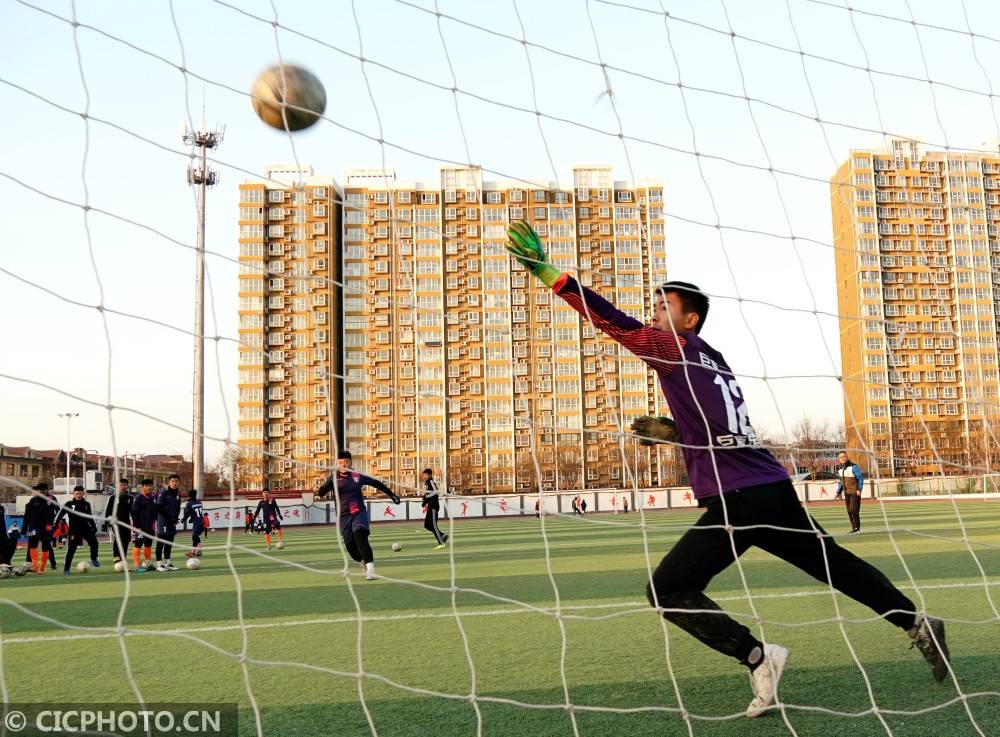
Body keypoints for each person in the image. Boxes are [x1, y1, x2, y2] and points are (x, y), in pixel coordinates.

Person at [506, 220, 950, 718]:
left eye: (663, 307)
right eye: (655, 305)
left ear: (689, 320)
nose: (653, 313)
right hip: (768, 486)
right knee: (836, 566)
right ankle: (916, 622)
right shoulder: (711, 358)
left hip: (739, 496)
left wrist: (551, 275)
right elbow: (720, 426)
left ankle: (758, 656)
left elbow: (614, 324)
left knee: (667, 589)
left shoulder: (673, 347)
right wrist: (678, 434)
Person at [316, 450, 400, 580]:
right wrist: (327, 484)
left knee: (360, 535)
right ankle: (362, 562)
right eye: (340, 462)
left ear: (350, 462)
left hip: (358, 512)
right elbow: (321, 493)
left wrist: (392, 494)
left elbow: (376, 483)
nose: (343, 464)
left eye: (346, 461)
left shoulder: (357, 475)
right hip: (343, 516)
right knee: (350, 547)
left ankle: (371, 569)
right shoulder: (333, 476)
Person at [55, 485, 101, 575]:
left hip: (86, 529)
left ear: (83, 494)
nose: (79, 495)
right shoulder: (68, 504)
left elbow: (89, 517)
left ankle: (94, 558)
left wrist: (93, 526)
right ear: (73, 494)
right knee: (71, 550)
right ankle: (66, 569)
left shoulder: (87, 504)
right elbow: (60, 515)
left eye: (80, 494)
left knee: (94, 543)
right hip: (74, 531)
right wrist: (56, 524)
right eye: (77, 494)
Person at [21, 482, 56, 574]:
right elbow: (27, 516)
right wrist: (24, 528)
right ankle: (35, 566)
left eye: (44, 492)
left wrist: (54, 524)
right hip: (34, 525)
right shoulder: (33, 500)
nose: (42, 493)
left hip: (47, 526)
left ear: (47, 491)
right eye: (40, 491)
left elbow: (58, 511)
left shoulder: (52, 499)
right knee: (33, 543)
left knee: (46, 545)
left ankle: (42, 568)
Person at [154, 474, 182, 571]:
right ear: (169, 482)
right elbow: (159, 507)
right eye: (172, 481)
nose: (174, 483)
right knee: (161, 542)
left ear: (179, 483)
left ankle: (168, 563)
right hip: (164, 521)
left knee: (169, 543)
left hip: (172, 522)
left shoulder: (178, 493)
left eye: (176, 481)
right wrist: (170, 517)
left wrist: (175, 518)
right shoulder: (164, 492)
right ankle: (159, 564)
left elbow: (178, 507)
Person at [105, 477, 133, 566]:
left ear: (127, 486)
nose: (123, 487)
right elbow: (108, 510)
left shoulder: (130, 498)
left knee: (126, 539)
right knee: (118, 538)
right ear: (117, 486)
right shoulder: (113, 498)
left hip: (126, 522)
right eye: (121, 485)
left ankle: (123, 557)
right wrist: (107, 522)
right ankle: (116, 556)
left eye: (125, 485)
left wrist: (136, 522)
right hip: (115, 522)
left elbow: (133, 511)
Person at [130, 479, 157, 572]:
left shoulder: (153, 497)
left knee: (148, 545)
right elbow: (134, 513)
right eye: (147, 486)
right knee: (138, 544)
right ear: (143, 487)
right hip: (140, 526)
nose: (149, 487)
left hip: (150, 526)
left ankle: (148, 564)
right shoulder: (138, 498)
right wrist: (137, 526)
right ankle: (137, 566)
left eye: (150, 485)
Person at [834, 452, 864, 534]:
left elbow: (860, 478)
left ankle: (857, 528)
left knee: (854, 510)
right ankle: (854, 528)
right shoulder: (840, 469)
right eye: (840, 457)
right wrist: (838, 492)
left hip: (855, 492)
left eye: (844, 457)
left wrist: (859, 489)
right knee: (849, 511)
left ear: (847, 457)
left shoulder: (853, 466)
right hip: (846, 493)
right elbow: (841, 482)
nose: (842, 458)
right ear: (839, 459)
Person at [420, 468, 447, 549]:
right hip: (430, 506)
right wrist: (424, 501)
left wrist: (425, 497)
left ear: (430, 475)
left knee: (433, 525)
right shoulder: (427, 484)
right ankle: (442, 535)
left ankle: (441, 543)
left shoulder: (431, 482)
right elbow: (429, 496)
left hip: (433, 506)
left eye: (425, 475)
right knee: (427, 525)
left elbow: (435, 492)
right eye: (423, 475)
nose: (424, 476)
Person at [181, 490, 205, 557]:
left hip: (197, 523)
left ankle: (193, 552)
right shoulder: (199, 502)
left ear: (189, 495)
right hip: (202, 521)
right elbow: (196, 512)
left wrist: (183, 519)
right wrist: (192, 519)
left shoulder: (189, 503)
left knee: (194, 537)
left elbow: (187, 513)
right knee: (196, 536)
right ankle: (199, 549)